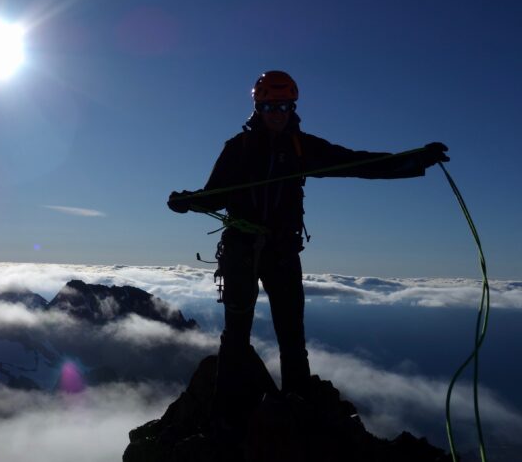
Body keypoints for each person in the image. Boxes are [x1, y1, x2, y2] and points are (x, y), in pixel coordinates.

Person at [167, 70, 448, 422]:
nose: (278, 113)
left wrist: (415, 159)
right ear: (258, 106)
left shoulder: (302, 147)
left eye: (284, 106)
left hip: (280, 253)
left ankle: (295, 412)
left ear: (292, 106)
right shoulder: (237, 149)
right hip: (243, 250)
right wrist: (189, 201)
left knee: (291, 336)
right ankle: (227, 418)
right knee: (237, 336)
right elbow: (215, 196)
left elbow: (357, 163)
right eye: (270, 105)